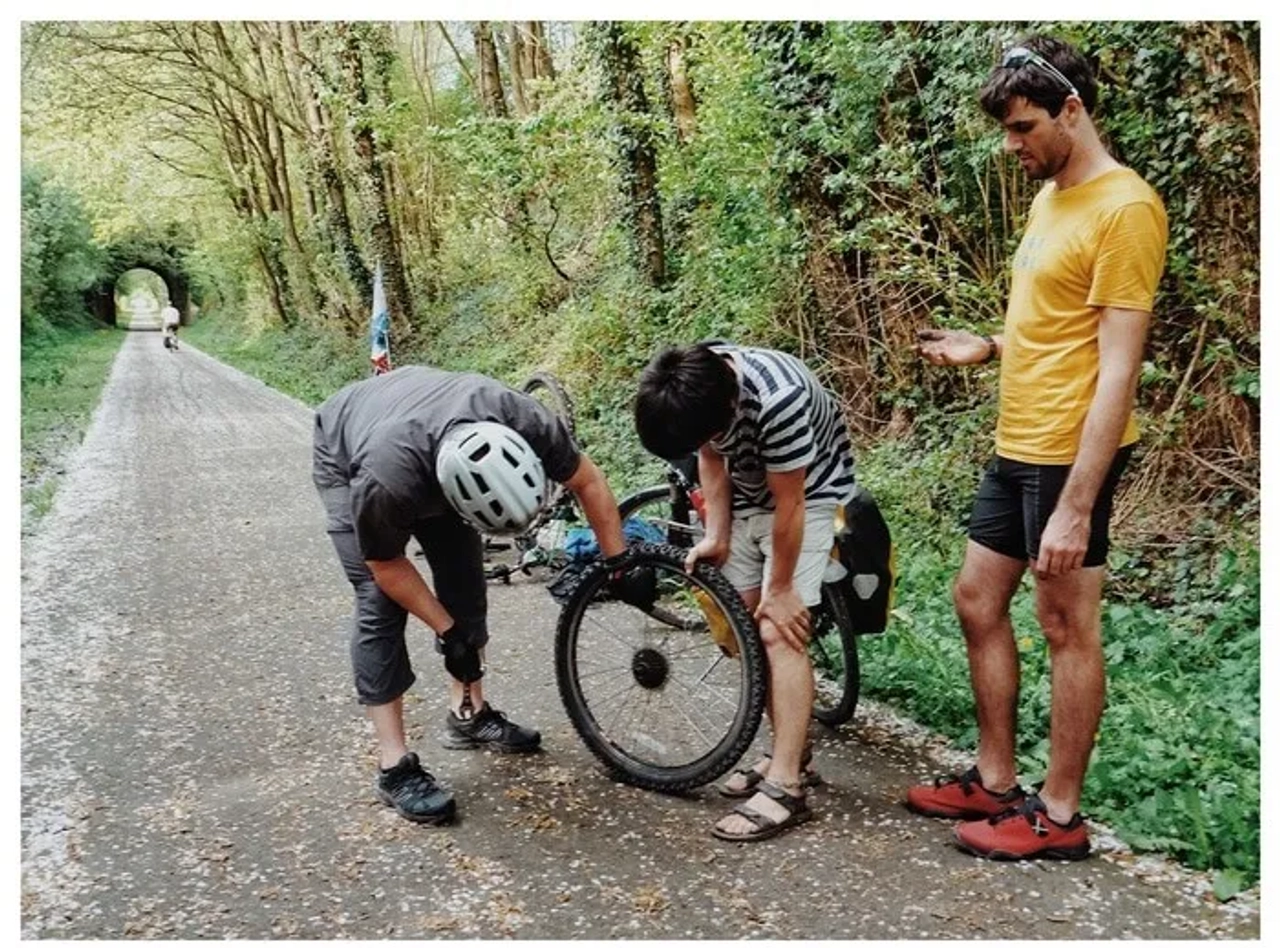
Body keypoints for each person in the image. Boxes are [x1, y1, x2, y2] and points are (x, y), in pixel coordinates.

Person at [907, 35, 1168, 861]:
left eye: (1023, 129)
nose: (1011, 147)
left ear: (1071, 111)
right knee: (977, 600)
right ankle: (994, 781)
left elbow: (1118, 369)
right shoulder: (1051, 196)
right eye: (1008, 133)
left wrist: (1078, 506)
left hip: (1070, 453)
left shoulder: (1125, 208)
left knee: (1065, 625)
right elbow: (1054, 328)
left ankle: (1059, 816)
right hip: (1017, 438)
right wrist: (986, 344)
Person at [313, 365, 642, 825]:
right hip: (348, 442)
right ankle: (394, 767)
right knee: (378, 604)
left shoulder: (523, 418)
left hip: (424, 428)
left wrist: (618, 565)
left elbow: (588, 481)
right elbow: (386, 566)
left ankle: (468, 714)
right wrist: (448, 633)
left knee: (465, 580)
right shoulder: (386, 480)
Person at [635, 341, 855, 841]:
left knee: (778, 630)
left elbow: (792, 503)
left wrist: (780, 589)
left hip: (809, 495)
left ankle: (787, 788)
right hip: (750, 490)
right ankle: (791, 752)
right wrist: (717, 533)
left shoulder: (782, 399)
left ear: (730, 408)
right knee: (741, 629)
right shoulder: (696, 384)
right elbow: (711, 458)